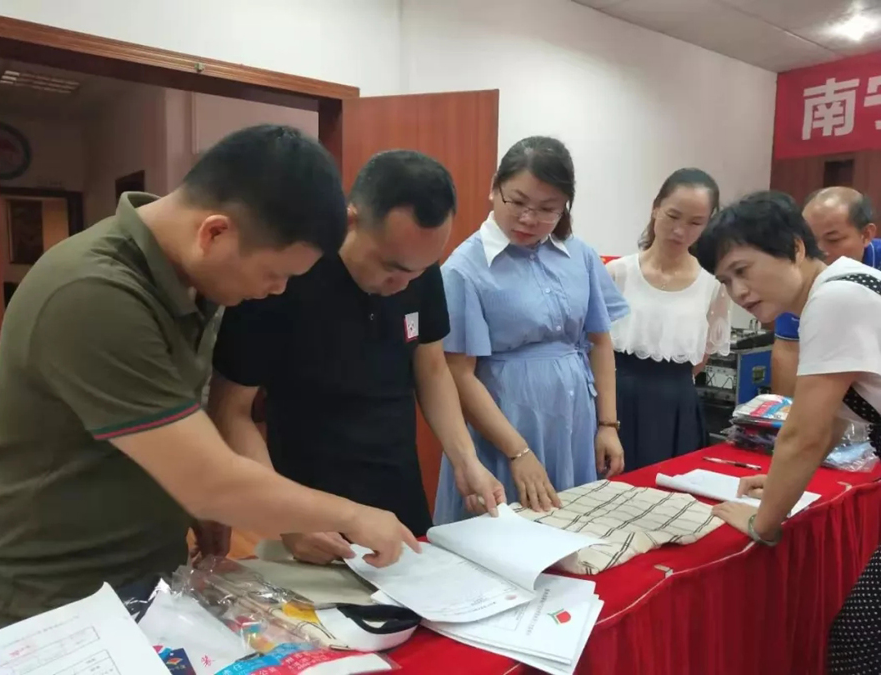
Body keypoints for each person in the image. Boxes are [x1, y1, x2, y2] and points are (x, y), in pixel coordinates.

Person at [0, 126, 419, 630]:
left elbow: (170, 426)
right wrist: (354, 515)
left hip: (148, 576)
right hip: (51, 599)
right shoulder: (93, 292)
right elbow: (210, 481)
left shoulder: (196, 280)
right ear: (214, 233)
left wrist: (196, 505)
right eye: (274, 274)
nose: (277, 290)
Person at [210, 150, 505, 564]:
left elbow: (432, 368)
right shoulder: (285, 273)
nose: (403, 285)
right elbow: (230, 410)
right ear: (350, 221)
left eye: (418, 271)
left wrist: (465, 459)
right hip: (312, 511)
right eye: (391, 268)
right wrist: (286, 515)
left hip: (399, 499)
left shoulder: (417, 268)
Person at [697, 191, 881, 673]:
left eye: (743, 269)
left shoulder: (834, 299)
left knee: (859, 643)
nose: (738, 291)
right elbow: (831, 418)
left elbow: (805, 432)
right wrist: (780, 477)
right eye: (726, 280)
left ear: (796, 247)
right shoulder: (838, 288)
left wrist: (763, 523)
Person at [432, 136, 627, 524]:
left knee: (574, 530)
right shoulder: (463, 268)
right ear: (494, 188)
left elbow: (600, 341)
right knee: (509, 534)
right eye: (518, 202)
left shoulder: (580, 255)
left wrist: (608, 424)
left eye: (547, 209)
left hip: (575, 421)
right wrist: (517, 452)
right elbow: (458, 375)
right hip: (507, 427)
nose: (528, 218)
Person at [606, 169, 730, 471]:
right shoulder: (617, 274)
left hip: (677, 405)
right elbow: (592, 347)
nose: (680, 230)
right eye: (673, 216)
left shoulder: (713, 285)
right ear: (656, 208)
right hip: (617, 402)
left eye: (695, 223)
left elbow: (702, 357)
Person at [771, 187, 881, 396]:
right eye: (810, 241)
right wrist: (784, 410)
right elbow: (788, 350)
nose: (820, 251)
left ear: (866, 234)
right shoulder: (799, 273)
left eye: (833, 240)